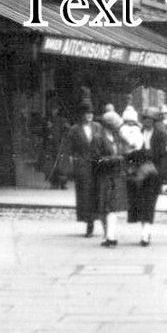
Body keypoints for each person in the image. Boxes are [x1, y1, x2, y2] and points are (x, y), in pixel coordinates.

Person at [61, 101, 103, 237]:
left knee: (98, 194)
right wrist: (74, 163)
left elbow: (103, 144)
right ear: (81, 115)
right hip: (83, 166)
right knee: (85, 196)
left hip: (97, 165)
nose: (89, 116)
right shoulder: (75, 129)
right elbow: (69, 149)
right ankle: (89, 223)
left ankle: (101, 223)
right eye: (86, 113)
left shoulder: (97, 127)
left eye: (91, 113)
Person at [94, 110, 129, 246]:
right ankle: (107, 234)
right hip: (104, 176)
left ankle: (110, 236)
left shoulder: (117, 137)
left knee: (113, 206)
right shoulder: (98, 138)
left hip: (116, 175)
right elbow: (96, 159)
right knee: (105, 207)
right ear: (109, 125)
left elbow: (124, 151)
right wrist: (115, 159)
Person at [126, 107, 159, 246]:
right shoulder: (138, 133)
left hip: (153, 175)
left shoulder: (161, 135)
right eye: (145, 119)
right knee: (140, 204)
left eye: (150, 119)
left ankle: (146, 233)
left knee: (149, 204)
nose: (147, 122)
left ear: (154, 121)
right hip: (139, 175)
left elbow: (166, 157)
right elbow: (131, 153)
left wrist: (159, 172)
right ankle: (145, 231)